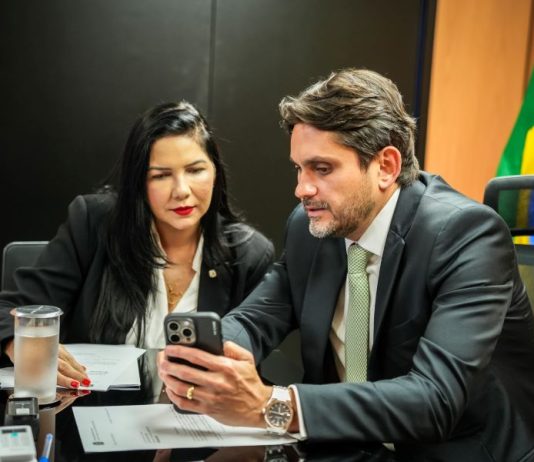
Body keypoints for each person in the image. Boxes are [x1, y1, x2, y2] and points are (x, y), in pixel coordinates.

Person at [158, 70, 534, 461]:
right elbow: (256, 319)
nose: (302, 189)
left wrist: (272, 404)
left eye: (322, 169)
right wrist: (204, 360)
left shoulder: (466, 235)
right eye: (299, 168)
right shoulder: (310, 228)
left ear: (386, 166)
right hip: (346, 449)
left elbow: (434, 400)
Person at [0, 101, 274, 390]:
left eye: (195, 170)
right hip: (90, 408)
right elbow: (9, 310)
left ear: (215, 171)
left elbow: (245, 366)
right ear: (138, 182)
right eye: (161, 175)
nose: (181, 191)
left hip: (195, 413)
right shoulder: (93, 224)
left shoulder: (249, 255)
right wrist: (18, 342)